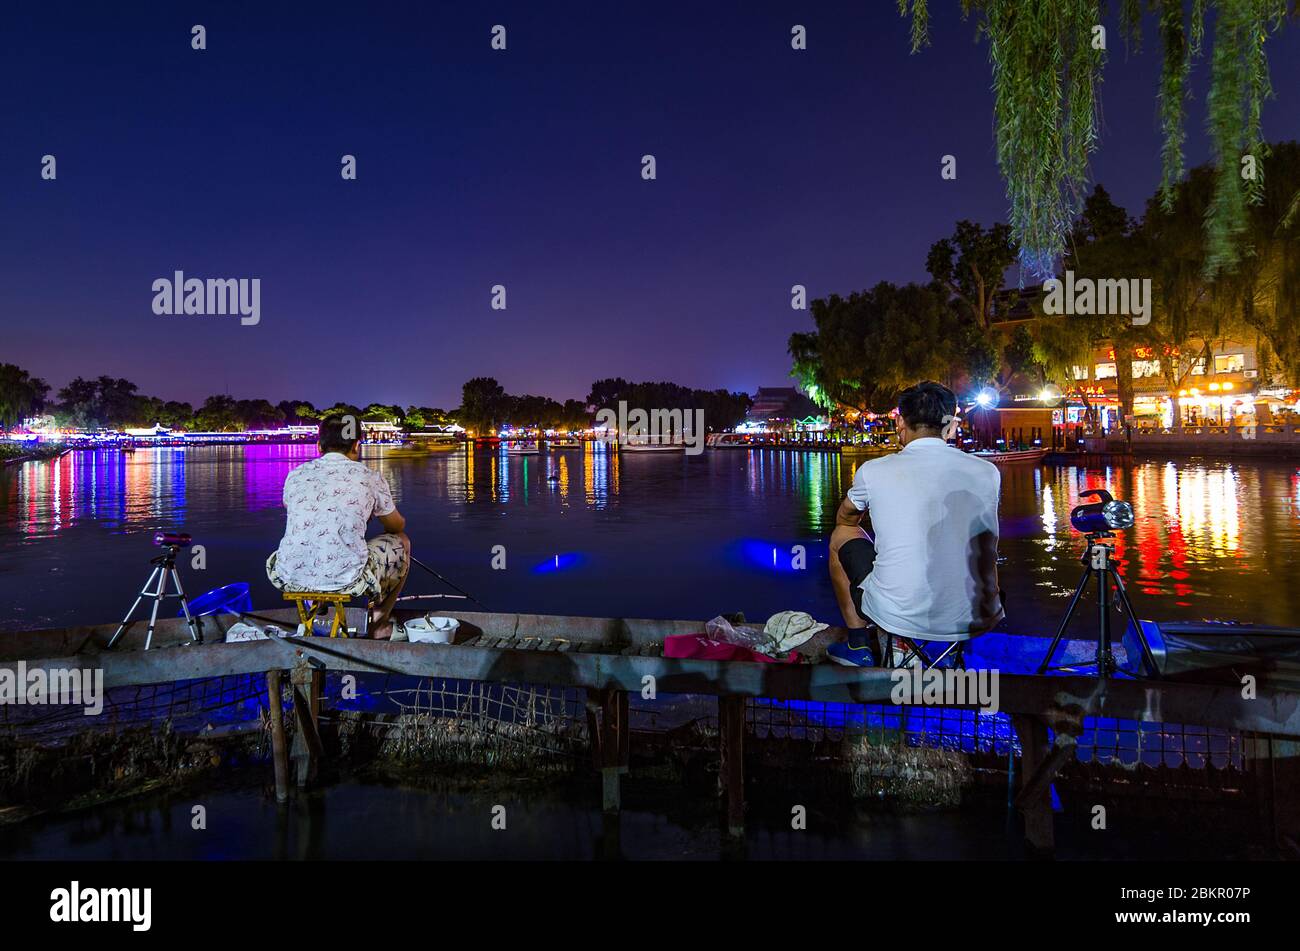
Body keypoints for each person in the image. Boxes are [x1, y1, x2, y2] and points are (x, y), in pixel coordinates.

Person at [827, 381, 1004, 666]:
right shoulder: (988, 472)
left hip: (899, 616)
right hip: (978, 616)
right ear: (951, 425)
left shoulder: (874, 471)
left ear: (899, 422)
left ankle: (859, 645)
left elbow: (845, 518)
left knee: (841, 536)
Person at [266, 417, 411, 639]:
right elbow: (396, 525)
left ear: (319, 446)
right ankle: (379, 624)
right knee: (402, 541)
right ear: (356, 445)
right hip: (347, 578)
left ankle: (314, 607)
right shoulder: (369, 477)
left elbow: (303, 512)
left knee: (314, 539)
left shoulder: (295, 475)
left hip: (290, 573)